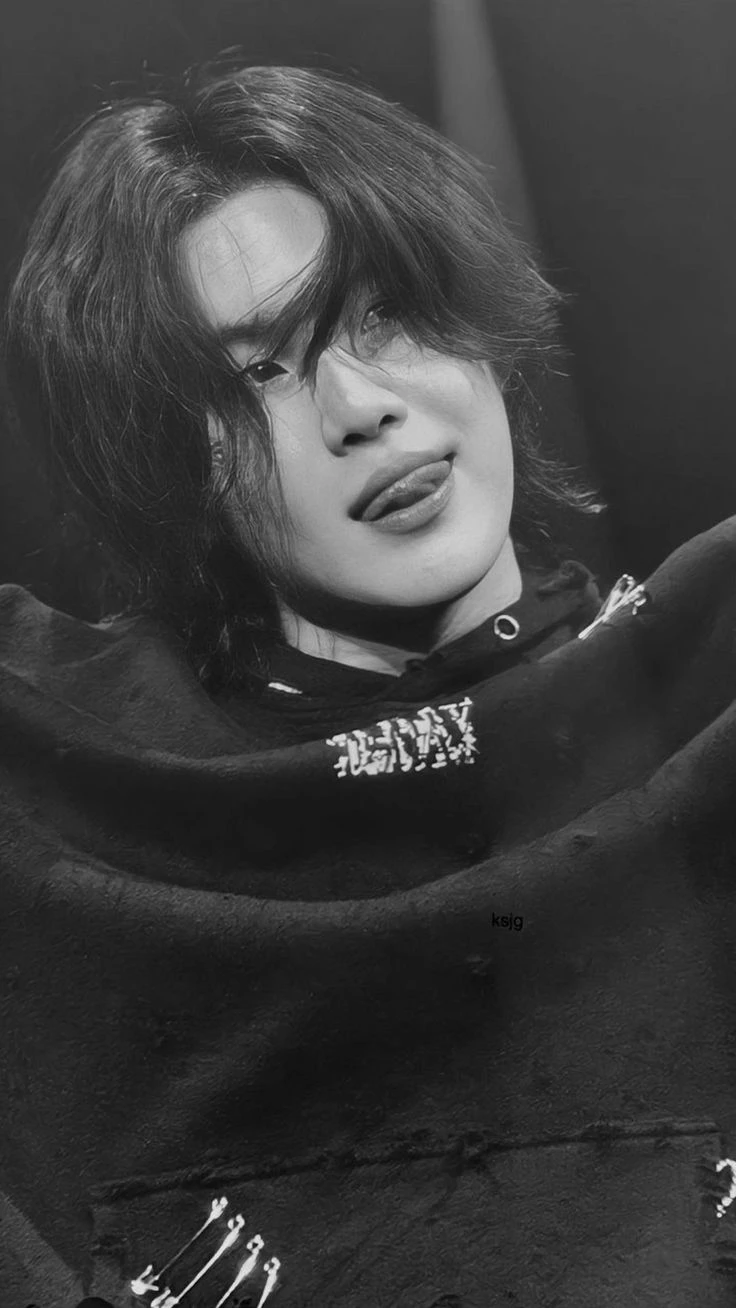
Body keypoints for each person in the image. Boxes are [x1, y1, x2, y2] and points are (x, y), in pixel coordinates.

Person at [2, 56, 736, 1308]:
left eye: (383, 313)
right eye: (256, 377)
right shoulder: (85, 791)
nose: (361, 408)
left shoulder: (706, 699)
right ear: (169, 468)